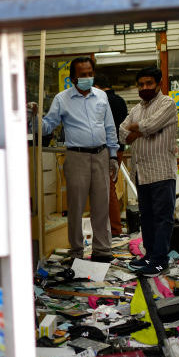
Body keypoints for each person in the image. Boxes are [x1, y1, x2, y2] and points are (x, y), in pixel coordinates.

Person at [38, 56, 119, 262]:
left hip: (101, 155)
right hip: (77, 157)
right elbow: (48, 125)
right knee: (75, 207)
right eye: (83, 75)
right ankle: (76, 252)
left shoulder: (101, 97)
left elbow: (109, 127)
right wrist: (34, 117)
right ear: (73, 78)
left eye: (90, 74)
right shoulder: (61, 99)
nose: (87, 78)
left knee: (101, 205)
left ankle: (102, 250)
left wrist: (113, 156)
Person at [119, 66, 178, 277]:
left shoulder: (167, 104)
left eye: (149, 84)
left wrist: (139, 130)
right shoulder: (136, 109)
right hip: (141, 172)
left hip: (161, 171)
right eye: (141, 84)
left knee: (163, 218)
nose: (145, 88)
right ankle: (150, 255)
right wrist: (139, 130)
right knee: (147, 218)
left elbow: (151, 126)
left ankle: (161, 261)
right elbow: (122, 133)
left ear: (159, 83)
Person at [93, 71, 128, 236]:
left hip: (105, 149)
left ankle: (114, 229)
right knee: (109, 187)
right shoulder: (120, 101)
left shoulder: (101, 100)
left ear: (97, 86)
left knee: (107, 188)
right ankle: (113, 227)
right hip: (118, 149)